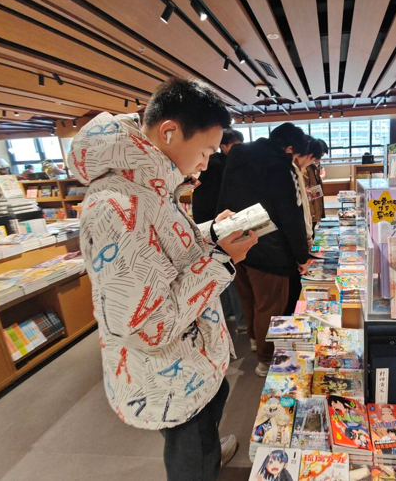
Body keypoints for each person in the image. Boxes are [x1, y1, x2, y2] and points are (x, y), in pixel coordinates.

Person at [69, 77, 257, 481]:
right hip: (168, 372)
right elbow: (149, 324)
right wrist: (222, 259)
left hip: (190, 358)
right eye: (205, 151)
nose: (206, 163)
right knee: (190, 452)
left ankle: (209, 454)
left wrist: (211, 234)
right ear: (169, 131)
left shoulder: (148, 187)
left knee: (206, 425)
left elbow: (164, 251)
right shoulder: (115, 206)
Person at [217, 122, 309, 377]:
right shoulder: (278, 165)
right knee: (270, 305)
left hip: (237, 244)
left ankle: (256, 342)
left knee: (249, 299)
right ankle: (266, 360)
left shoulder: (237, 157)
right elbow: (290, 215)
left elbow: (223, 201)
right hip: (270, 250)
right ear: (289, 148)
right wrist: (301, 256)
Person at [191, 128, 246, 333]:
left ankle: (229, 313)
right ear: (223, 146)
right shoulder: (219, 165)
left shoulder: (216, 163)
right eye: (236, 146)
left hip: (209, 222)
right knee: (228, 267)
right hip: (216, 223)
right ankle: (240, 320)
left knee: (219, 265)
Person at [283, 136, 327, 316]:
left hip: (305, 227)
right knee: (292, 286)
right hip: (294, 236)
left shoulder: (298, 169)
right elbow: (295, 214)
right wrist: (305, 240)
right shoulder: (291, 171)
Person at [303, 140, 327, 235]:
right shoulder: (305, 168)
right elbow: (306, 193)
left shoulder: (313, 167)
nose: (319, 159)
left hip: (314, 210)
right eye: (319, 156)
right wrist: (311, 211)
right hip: (310, 212)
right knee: (310, 234)